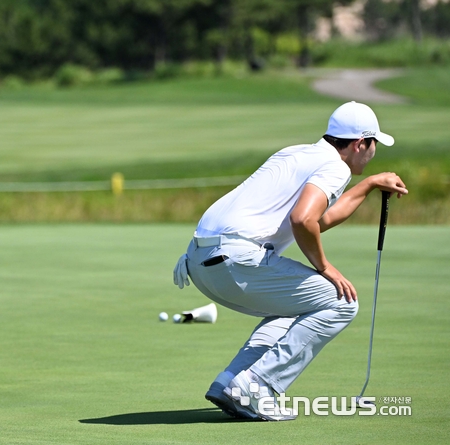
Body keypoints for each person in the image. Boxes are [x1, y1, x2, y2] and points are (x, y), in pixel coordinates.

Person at [172, 101, 408, 420]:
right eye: (374, 144)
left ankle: (231, 382)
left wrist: (367, 185)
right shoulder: (336, 167)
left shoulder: (295, 153)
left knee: (296, 305)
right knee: (342, 302)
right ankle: (257, 387)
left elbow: (317, 220)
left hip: (198, 260)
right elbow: (302, 220)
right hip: (236, 259)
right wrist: (325, 268)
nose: (373, 151)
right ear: (360, 143)